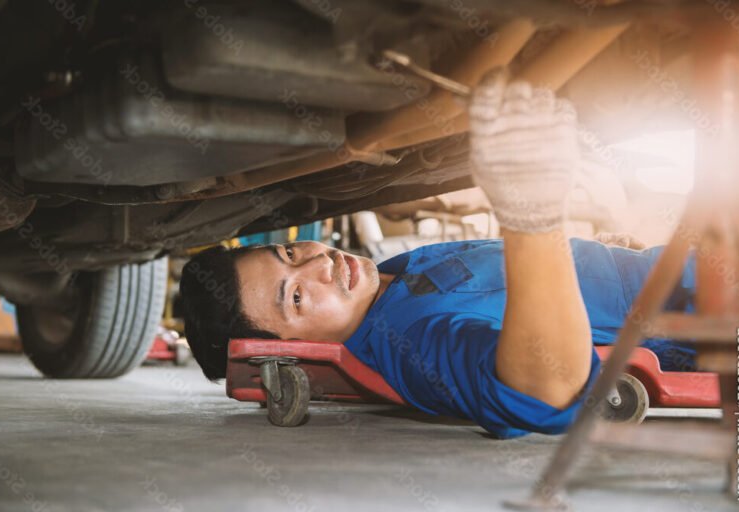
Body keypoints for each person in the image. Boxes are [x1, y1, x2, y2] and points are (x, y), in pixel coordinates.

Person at [179, 70, 697, 438]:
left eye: (292, 252)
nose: (319, 265)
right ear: (288, 352)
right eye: (295, 297)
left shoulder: (391, 275)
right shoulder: (406, 342)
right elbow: (544, 395)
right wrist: (533, 218)